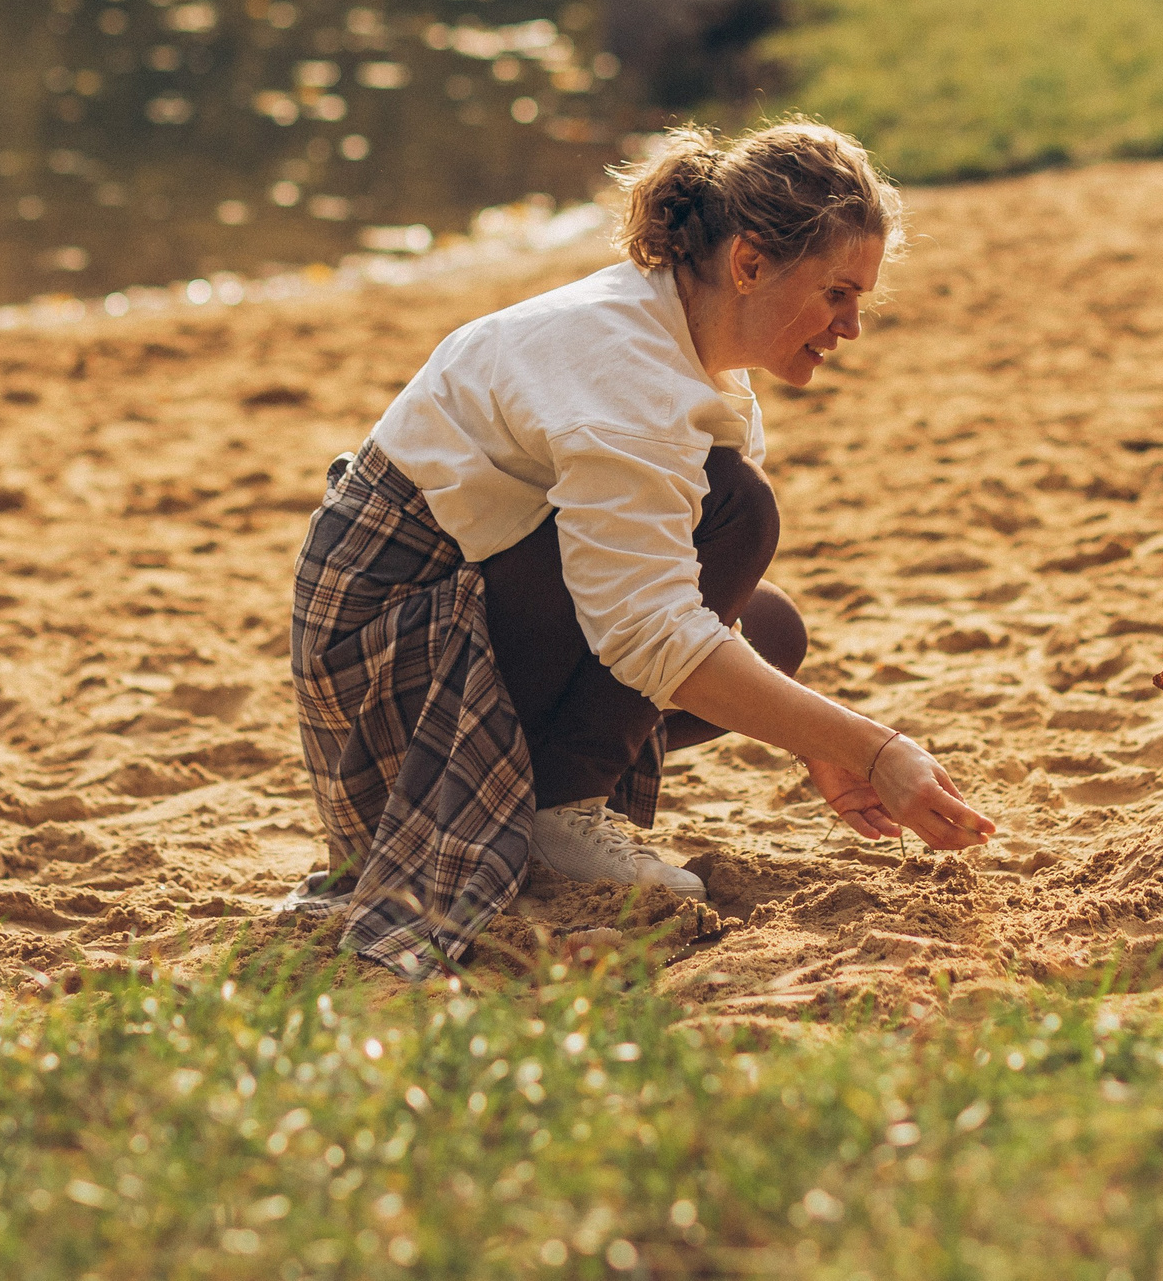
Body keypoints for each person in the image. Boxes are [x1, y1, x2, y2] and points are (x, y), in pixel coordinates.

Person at [288, 119, 994, 974]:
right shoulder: (624, 371)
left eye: (860, 301)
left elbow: (655, 601)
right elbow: (644, 631)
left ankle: (552, 801)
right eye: (838, 293)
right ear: (748, 263)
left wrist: (813, 737)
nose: (851, 328)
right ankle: (560, 806)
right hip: (391, 648)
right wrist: (869, 749)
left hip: (467, 594)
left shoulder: (694, 349)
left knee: (768, 631)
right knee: (738, 511)